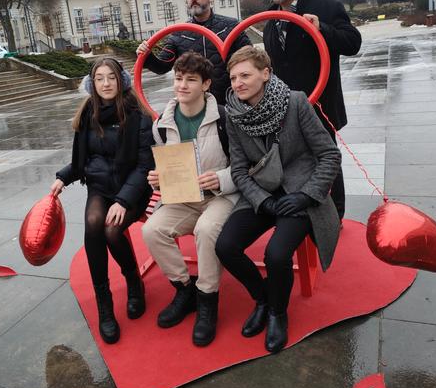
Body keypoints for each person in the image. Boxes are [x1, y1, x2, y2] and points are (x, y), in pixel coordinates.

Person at [214, 46, 341, 354]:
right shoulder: (234, 114)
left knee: (277, 254)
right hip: (262, 194)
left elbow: (328, 154)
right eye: (233, 77)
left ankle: (277, 314)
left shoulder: (295, 102)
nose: (238, 83)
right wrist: (262, 200)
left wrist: (306, 195)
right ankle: (263, 299)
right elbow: (239, 170)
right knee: (225, 246)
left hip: (299, 192)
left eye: (245, 75)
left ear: (265, 73)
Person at [51, 58, 155, 344]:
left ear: (121, 80)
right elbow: (82, 160)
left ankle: (133, 281)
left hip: (132, 189)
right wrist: (63, 177)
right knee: (94, 222)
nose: (106, 83)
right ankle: (104, 303)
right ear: (92, 84)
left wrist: (123, 201)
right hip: (99, 186)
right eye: (100, 79)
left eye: (111, 77)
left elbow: (145, 166)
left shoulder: (137, 114)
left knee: (112, 229)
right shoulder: (88, 113)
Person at [142, 51, 239, 347]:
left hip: (220, 196)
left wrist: (221, 178)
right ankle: (185, 289)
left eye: (191, 80)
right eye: (179, 78)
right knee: (152, 230)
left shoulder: (224, 117)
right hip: (183, 198)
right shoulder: (162, 123)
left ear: (206, 84)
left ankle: (208, 299)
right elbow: (164, 162)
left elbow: (247, 164)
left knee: (207, 230)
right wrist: (157, 176)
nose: (182, 85)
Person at [262, 0, 361, 220]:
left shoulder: (326, 8)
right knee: (295, 159)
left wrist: (323, 29)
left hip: (320, 102)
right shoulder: (271, 18)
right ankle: (302, 209)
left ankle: (336, 213)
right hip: (286, 107)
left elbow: (352, 43)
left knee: (327, 156)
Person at [136, 0, 252, 105]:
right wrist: (147, 56)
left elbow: (251, 60)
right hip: (197, 108)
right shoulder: (179, 33)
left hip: (232, 104)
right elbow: (162, 66)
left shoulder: (230, 26)